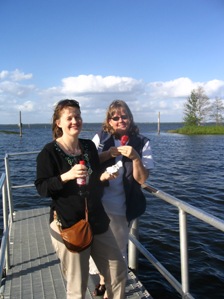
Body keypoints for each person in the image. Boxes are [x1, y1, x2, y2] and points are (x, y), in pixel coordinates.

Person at [35, 99, 127, 299]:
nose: (75, 121)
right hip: (70, 225)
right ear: (58, 123)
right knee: (78, 287)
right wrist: (66, 176)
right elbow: (41, 188)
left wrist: (103, 177)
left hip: (98, 220)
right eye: (69, 117)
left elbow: (93, 180)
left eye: (77, 116)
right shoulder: (48, 153)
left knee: (118, 272)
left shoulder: (88, 147)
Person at [89, 99, 154, 298]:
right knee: (97, 246)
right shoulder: (100, 138)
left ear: (130, 118)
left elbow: (142, 179)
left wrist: (135, 158)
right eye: (115, 117)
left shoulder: (142, 142)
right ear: (108, 121)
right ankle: (102, 280)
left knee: (118, 250)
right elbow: (89, 164)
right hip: (97, 202)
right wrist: (108, 154)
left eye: (124, 116)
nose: (120, 120)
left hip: (122, 206)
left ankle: (112, 290)